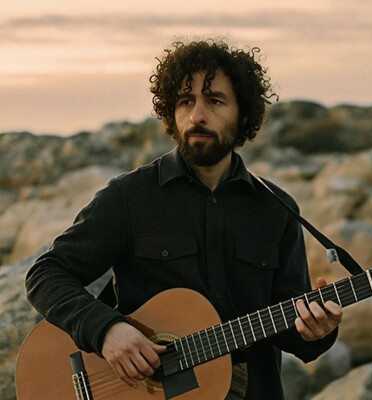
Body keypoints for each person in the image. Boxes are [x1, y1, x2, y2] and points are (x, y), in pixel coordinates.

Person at [25, 39, 342, 399]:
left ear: (243, 114)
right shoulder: (130, 197)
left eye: (215, 101)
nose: (197, 116)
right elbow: (46, 274)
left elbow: (292, 330)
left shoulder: (276, 210)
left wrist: (318, 332)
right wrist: (106, 330)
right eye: (186, 101)